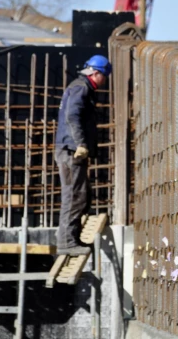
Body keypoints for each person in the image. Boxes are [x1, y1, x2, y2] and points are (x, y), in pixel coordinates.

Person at [54, 55, 112, 255]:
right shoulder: (81, 88)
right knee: (73, 196)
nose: (105, 81)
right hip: (71, 151)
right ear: (96, 73)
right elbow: (72, 116)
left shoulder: (80, 87)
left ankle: (72, 238)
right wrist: (80, 143)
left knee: (81, 196)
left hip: (72, 151)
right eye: (104, 76)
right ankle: (67, 243)